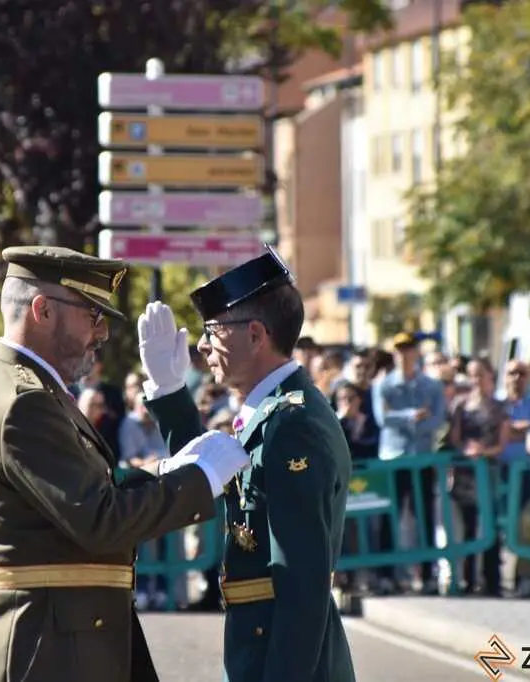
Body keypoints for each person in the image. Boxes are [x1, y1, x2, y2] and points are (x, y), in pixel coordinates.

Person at [0, 245, 250, 682]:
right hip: (45, 646)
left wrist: (163, 474)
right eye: (91, 316)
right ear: (42, 310)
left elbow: (84, 492)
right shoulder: (25, 402)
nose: (100, 334)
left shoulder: (25, 387)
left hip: (53, 636)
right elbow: (100, 520)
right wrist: (201, 477)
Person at [137, 247, 356, 682]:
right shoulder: (271, 412)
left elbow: (302, 584)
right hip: (255, 642)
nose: (202, 344)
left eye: (213, 330)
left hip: (279, 652)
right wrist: (169, 391)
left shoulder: (292, 423)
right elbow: (212, 476)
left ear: (255, 335)